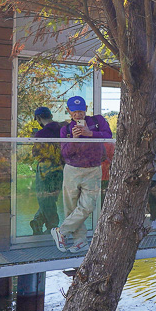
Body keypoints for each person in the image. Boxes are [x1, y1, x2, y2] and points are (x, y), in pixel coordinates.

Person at [52, 96, 113, 253]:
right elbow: (65, 153)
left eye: (80, 110)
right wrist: (74, 139)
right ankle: (80, 241)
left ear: (86, 108)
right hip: (72, 170)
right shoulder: (65, 130)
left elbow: (108, 135)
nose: (78, 114)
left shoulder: (97, 121)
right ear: (69, 111)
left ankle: (61, 232)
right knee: (71, 208)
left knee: (87, 206)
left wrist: (90, 133)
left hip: (93, 169)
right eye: (74, 111)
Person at [29, 107, 64, 235]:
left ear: (38, 118)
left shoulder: (41, 134)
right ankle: (38, 221)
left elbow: (36, 153)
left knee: (44, 198)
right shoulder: (62, 130)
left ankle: (52, 227)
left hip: (45, 169)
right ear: (51, 115)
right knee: (51, 198)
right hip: (60, 169)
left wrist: (34, 139)